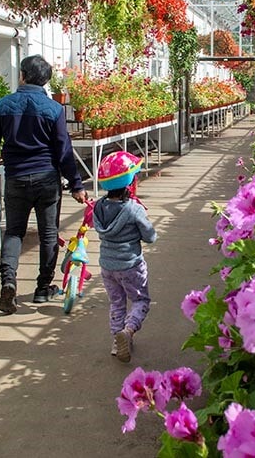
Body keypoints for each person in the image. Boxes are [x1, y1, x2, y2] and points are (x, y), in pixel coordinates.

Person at [0, 55, 87, 315]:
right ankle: (42, 288)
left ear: (23, 76)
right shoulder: (53, 109)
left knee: (14, 232)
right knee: (49, 233)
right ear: (46, 81)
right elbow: (63, 150)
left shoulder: (2, 105)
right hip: (47, 179)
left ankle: (9, 282)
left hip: (15, 178)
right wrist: (76, 184)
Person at [93, 151, 156, 362]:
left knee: (117, 303)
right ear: (130, 181)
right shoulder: (134, 209)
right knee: (140, 300)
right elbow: (150, 236)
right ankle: (128, 332)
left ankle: (115, 341)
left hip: (107, 266)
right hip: (130, 265)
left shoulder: (99, 207)